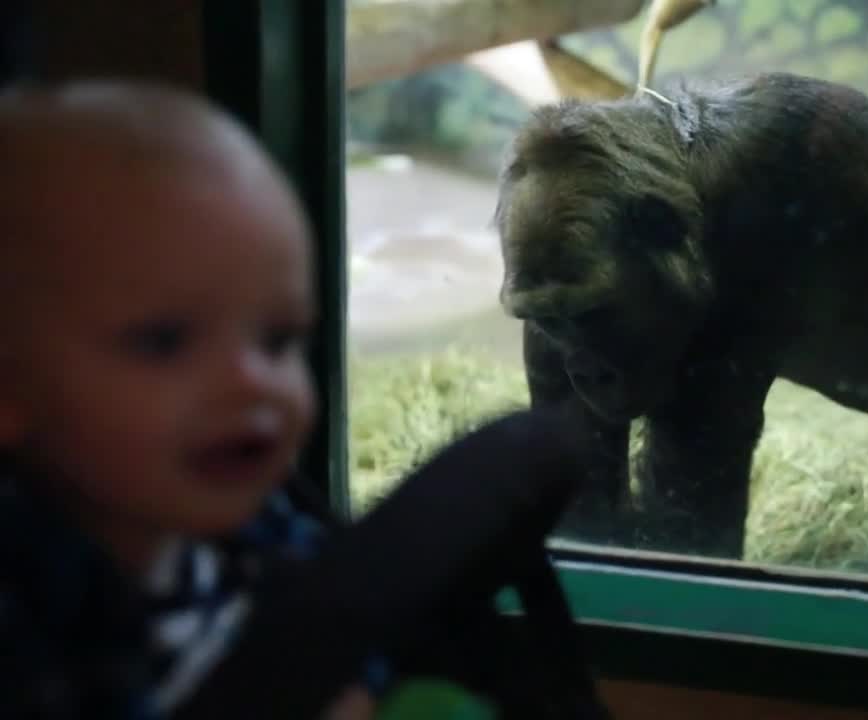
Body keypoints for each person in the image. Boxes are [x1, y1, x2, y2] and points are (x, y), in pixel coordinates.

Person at [0, 79, 590, 719]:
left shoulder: (258, 528)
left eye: (279, 341)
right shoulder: (27, 619)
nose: (253, 382)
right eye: (165, 342)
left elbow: (350, 625)